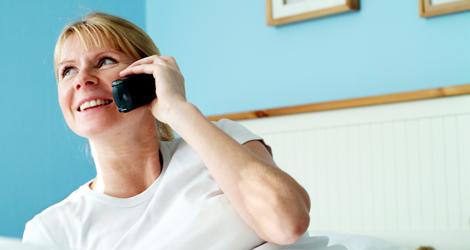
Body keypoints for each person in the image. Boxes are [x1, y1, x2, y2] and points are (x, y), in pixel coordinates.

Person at [22, 12, 311, 250]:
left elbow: (288, 223)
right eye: (67, 70)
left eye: (104, 61)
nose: (82, 80)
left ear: (149, 73)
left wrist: (177, 109)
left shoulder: (220, 142)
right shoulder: (52, 231)